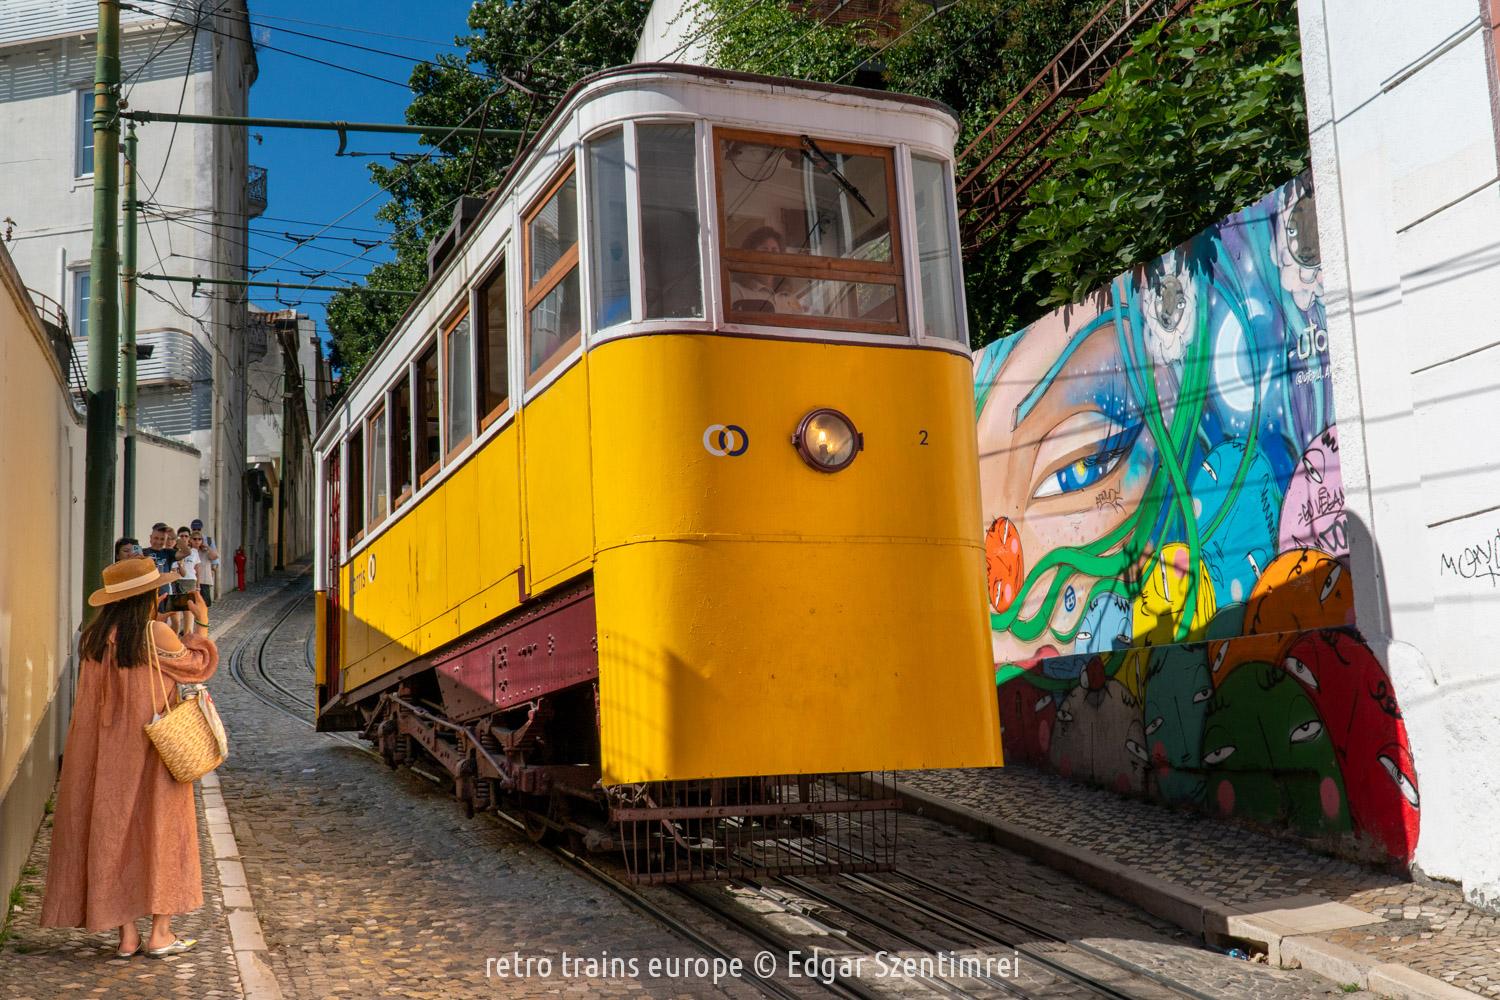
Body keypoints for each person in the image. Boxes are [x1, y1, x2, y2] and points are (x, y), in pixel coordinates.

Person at [40, 555, 216, 958]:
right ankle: (161, 933)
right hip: (156, 751)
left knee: (112, 835)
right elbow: (198, 667)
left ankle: (126, 936)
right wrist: (200, 623)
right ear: (149, 596)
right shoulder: (156, 634)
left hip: (105, 756)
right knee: (162, 835)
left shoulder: (94, 639)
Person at [728, 226, 805, 315]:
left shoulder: (790, 298)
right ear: (751, 256)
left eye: (774, 251)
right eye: (764, 250)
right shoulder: (735, 290)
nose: (770, 256)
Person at [190, 529, 217, 607]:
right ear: (191, 540)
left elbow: (215, 556)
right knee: (193, 604)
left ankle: (202, 619)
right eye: (194, 539)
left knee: (204, 605)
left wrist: (208, 547)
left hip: (204, 581)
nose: (197, 541)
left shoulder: (205, 552)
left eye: (199, 539)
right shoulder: (189, 552)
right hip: (192, 581)